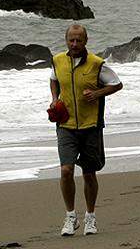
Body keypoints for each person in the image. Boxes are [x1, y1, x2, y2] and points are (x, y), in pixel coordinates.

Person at [50, 23, 123, 237]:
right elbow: (54, 80)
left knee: (89, 173)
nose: (74, 44)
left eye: (78, 40)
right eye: (71, 40)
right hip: (66, 124)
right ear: (66, 40)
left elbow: (117, 84)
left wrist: (98, 94)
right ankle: (70, 216)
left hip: (91, 125)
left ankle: (90, 217)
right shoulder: (57, 61)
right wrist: (55, 99)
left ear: (85, 41)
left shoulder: (97, 64)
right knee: (66, 170)